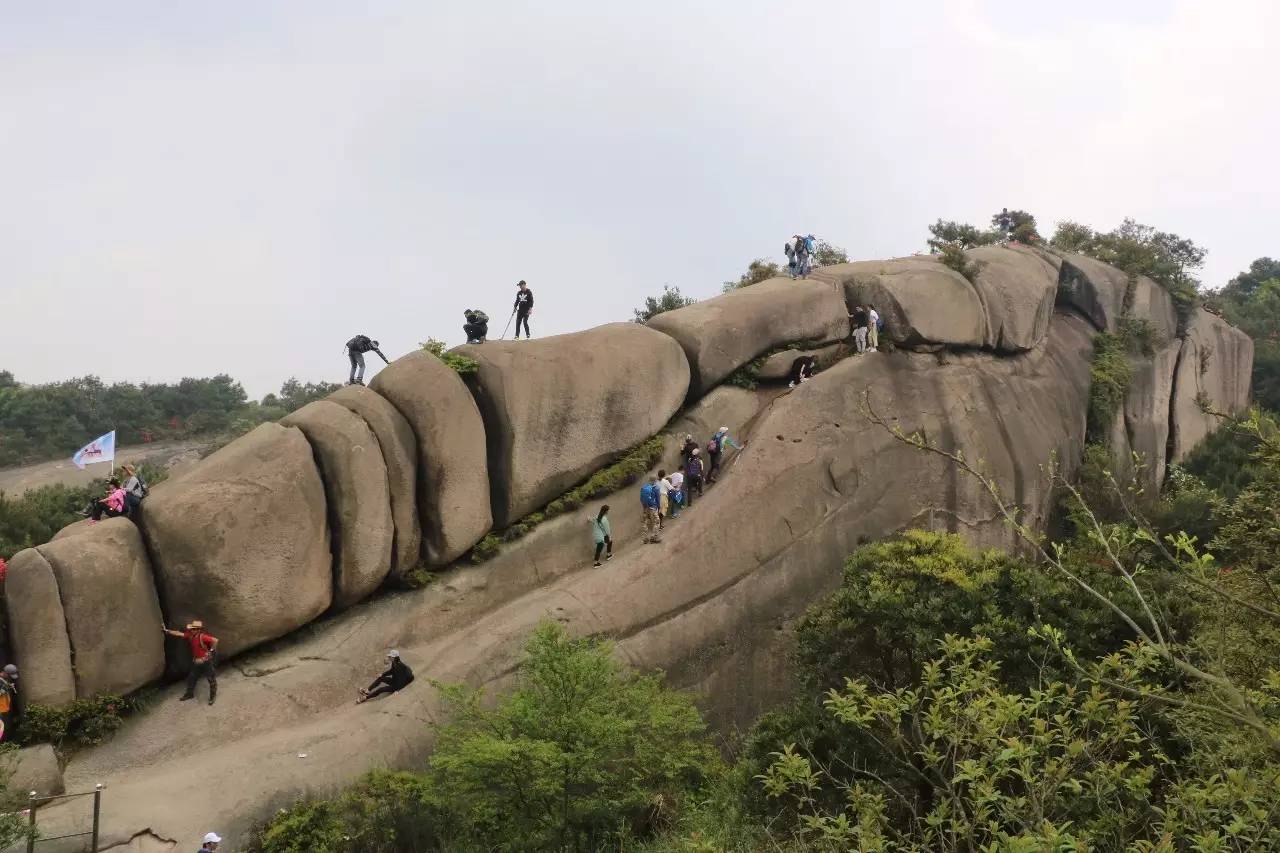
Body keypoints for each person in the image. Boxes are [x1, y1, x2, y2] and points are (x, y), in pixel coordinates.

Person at [164, 620, 219, 705]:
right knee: (191, 678)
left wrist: (210, 651)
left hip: (206, 662)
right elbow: (179, 634)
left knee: (211, 679)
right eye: (192, 628)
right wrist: (167, 631)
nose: (192, 630)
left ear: (198, 630)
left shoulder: (203, 637)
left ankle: (212, 697)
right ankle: (189, 694)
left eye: (194, 629)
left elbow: (215, 640)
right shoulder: (190, 636)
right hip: (196, 662)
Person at [639, 475, 662, 544]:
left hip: (645, 508)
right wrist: (658, 507)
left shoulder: (644, 487)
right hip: (653, 508)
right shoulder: (656, 488)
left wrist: (644, 507)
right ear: (654, 481)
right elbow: (658, 499)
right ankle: (654, 538)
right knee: (656, 522)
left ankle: (645, 539)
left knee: (645, 523)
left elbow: (641, 499)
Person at [0, 664, 18, 742]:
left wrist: (9, 686)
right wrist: (4, 690)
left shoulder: (4, 680)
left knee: (6, 729)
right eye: (10, 676)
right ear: (6, 673)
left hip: (4, 710)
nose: (10, 678)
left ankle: (7, 744)